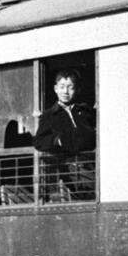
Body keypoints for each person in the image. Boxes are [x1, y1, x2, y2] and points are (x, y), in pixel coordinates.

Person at [33, 69, 96, 200]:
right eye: (62, 87)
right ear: (55, 89)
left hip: (90, 165)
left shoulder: (85, 111)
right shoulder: (49, 115)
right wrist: (57, 140)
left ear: (77, 90)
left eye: (70, 87)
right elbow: (39, 141)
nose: (65, 92)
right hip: (67, 169)